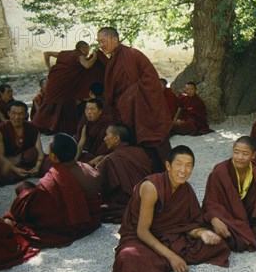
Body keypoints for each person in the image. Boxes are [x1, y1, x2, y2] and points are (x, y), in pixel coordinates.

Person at [107, 145, 230, 272]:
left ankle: (162, 260)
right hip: (142, 238)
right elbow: (142, 232)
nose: (183, 170)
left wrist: (202, 233)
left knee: (218, 245)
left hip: (170, 236)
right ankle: (168, 259)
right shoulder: (151, 187)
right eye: (178, 164)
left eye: (188, 166)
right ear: (168, 165)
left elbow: (186, 225)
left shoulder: (186, 189)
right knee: (130, 258)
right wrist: (172, 257)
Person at [2, 133, 102, 248]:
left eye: (49, 149)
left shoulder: (50, 180)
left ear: (54, 157)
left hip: (67, 223)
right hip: (91, 220)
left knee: (23, 188)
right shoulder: (89, 169)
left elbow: (37, 205)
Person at [97, 27, 172, 169]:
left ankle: (166, 173)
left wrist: (128, 96)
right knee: (134, 141)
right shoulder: (114, 59)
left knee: (153, 142)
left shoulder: (131, 55)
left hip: (142, 108)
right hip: (127, 109)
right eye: (99, 42)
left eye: (103, 41)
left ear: (114, 39)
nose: (101, 46)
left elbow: (152, 80)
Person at [202, 136, 256, 252]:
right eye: (236, 152)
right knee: (218, 233)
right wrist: (214, 219)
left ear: (253, 155)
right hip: (227, 218)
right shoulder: (220, 171)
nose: (239, 157)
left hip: (250, 218)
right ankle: (244, 234)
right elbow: (209, 202)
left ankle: (243, 233)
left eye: (245, 154)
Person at [34, 41, 104, 135]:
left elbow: (46, 54)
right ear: (83, 48)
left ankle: (43, 126)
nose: (88, 52)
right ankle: (42, 124)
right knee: (58, 104)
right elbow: (87, 65)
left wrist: (49, 68)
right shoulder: (79, 55)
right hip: (63, 84)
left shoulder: (64, 53)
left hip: (54, 80)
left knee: (50, 103)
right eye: (87, 49)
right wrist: (95, 57)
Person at [96, 123, 153, 223]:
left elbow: (98, 185)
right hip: (146, 196)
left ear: (116, 138)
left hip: (126, 201)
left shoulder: (110, 159)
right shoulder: (140, 151)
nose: (104, 139)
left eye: (107, 135)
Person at [0, 101, 47, 185]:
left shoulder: (33, 128)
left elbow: (40, 151)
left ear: (26, 114)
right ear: (8, 114)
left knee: (44, 160)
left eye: (20, 114)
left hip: (27, 159)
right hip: (10, 161)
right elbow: (0, 155)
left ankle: (31, 171)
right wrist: (15, 169)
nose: (17, 117)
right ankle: (24, 172)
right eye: (13, 113)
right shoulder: (1, 130)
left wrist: (38, 166)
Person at [75, 98, 112, 166]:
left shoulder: (108, 126)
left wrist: (88, 165)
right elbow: (80, 145)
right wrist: (74, 160)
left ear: (100, 111)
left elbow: (106, 152)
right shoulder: (87, 125)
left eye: (92, 109)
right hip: (89, 154)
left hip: (101, 158)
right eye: (87, 109)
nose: (89, 112)